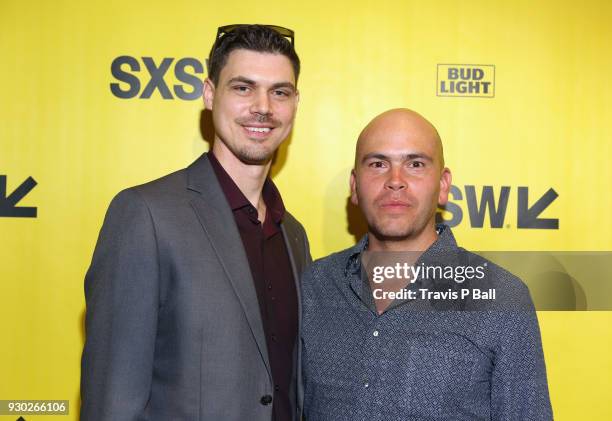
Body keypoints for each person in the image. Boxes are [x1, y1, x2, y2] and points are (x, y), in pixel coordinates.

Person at [81, 24, 311, 421]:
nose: (263, 106)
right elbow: (111, 402)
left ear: (295, 103)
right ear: (209, 94)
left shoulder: (293, 234)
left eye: (280, 92)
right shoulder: (146, 216)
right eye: (243, 88)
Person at [301, 109, 552, 420]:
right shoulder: (314, 285)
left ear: (444, 185)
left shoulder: (502, 298)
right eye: (378, 164)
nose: (395, 181)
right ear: (355, 185)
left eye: (415, 164)